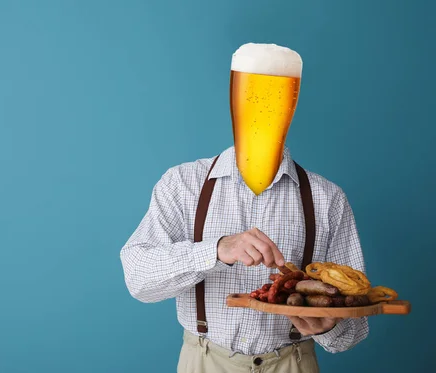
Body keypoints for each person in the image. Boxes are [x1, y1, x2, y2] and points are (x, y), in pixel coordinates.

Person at [119, 43, 369, 373]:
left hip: (293, 362)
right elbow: (138, 279)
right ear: (235, 94)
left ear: (291, 100)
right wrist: (216, 250)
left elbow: (355, 330)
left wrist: (328, 328)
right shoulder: (183, 183)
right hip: (203, 362)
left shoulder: (327, 199)